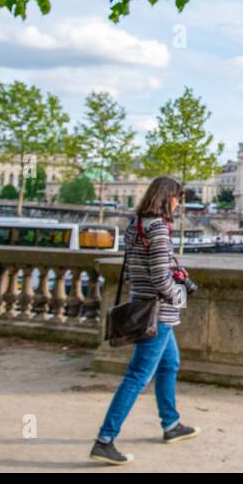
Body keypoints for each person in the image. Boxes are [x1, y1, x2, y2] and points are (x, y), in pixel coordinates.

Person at [90, 176, 200, 465]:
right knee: (138, 375)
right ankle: (105, 439)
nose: (178, 204)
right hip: (159, 313)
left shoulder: (135, 225)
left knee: (169, 364)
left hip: (141, 303)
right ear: (167, 198)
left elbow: (131, 272)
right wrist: (180, 294)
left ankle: (171, 424)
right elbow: (162, 280)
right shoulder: (160, 230)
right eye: (177, 198)